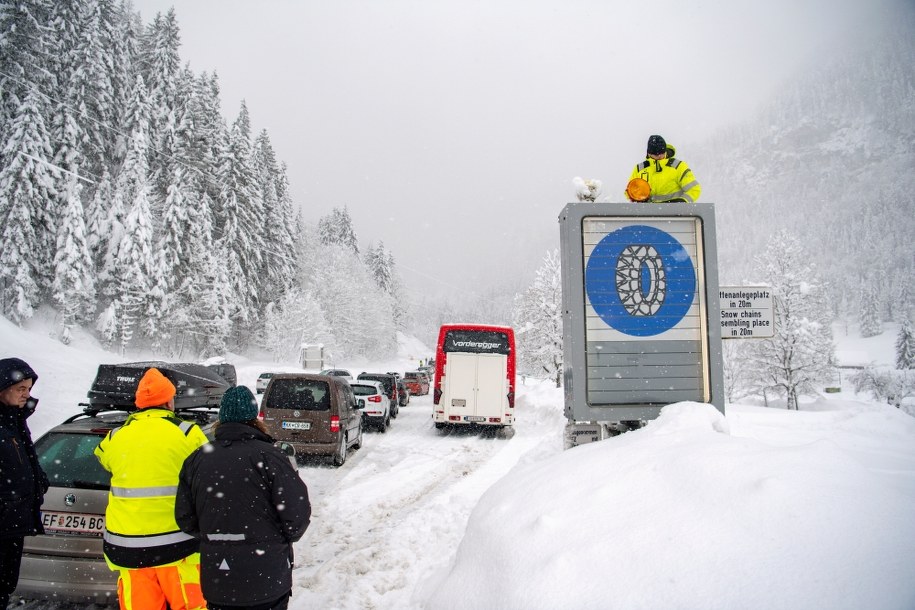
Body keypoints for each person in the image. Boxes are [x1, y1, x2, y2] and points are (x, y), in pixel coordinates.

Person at [176, 385, 311, 610]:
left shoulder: (198, 460)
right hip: (267, 579)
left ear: (221, 417)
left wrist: (218, 537)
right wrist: (274, 540)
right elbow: (296, 516)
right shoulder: (272, 457)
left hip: (219, 580)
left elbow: (185, 518)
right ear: (254, 417)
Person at [94, 367, 209, 610]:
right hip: (178, 546)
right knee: (190, 605)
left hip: (127, 549)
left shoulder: (115, 437)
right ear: (169, 401)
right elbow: (206, 471)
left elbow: (104, 460)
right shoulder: (187, 433)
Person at [0, 358, 48, 608]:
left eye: (29, 389)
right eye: (21, 389)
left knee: (6, 586)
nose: (26, 395)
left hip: (14, 524)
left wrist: (38, 479)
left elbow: (23, 462)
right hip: (5, 520)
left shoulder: (16, 421)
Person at [625, 134, 701, 203]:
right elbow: (628, 193)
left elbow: (694, 189)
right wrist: (637, 196)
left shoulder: (678, 166)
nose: (659, 156)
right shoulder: (639, 169)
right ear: (649, 153)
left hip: (675, 215)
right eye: (655, 154)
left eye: (661, 153)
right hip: (648, 215)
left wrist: (681, 202)